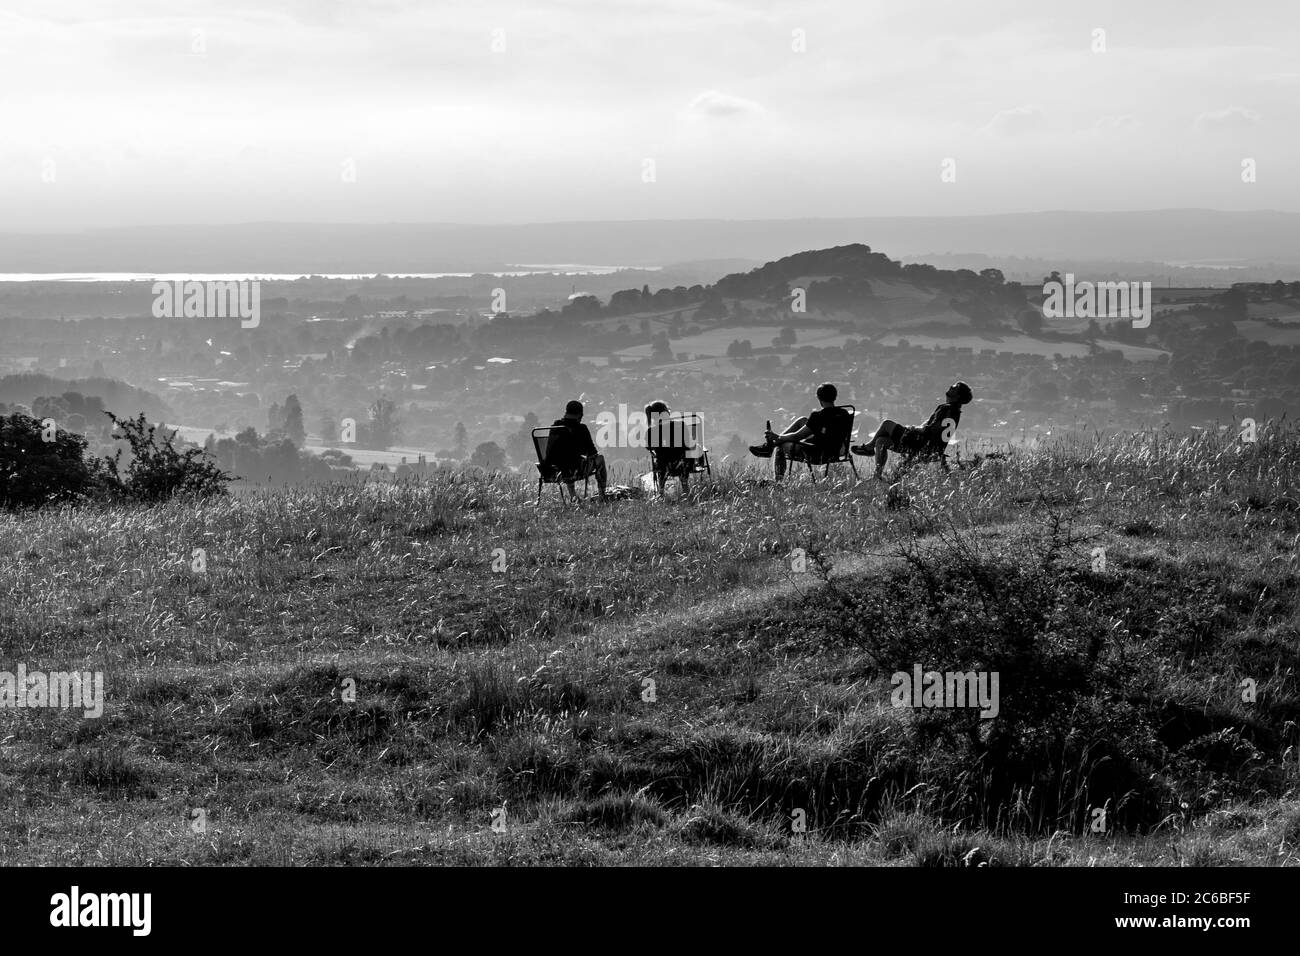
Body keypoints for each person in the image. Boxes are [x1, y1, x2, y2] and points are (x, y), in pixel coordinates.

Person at [852, 381, 973, 478]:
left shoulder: (945, 408)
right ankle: (876, 477)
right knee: (881, 442)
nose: (950, 387)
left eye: (954, 387)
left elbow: (931, 429)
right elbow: (935, 429)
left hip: (919, 443)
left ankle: (868, 448)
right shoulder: (955, 412)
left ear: (957, 396)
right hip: (928, 447)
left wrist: (914, 429)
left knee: (886, 424)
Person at [749, 382, 852, 481]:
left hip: (816, 452)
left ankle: (778, 479)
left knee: (780, 447)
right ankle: (770, 446)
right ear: (834, 397)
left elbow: (796, 437)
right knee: (802, 420)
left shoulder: (818, 416)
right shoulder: (844, 413)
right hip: (838, 450)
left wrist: (777, 437)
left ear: (819, 399)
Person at [545, 399, 608, 499]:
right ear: (580, 415)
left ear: (566, 412)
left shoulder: (555, 427)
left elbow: (549, 452)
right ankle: (602, 495)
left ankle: (573, 496)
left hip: (552, 471)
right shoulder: (581, 429)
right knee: (600, 458)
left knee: (567, 463)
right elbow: (592, 452)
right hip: (575, 470)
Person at [644, 400, 692, 495]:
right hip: (682, 464)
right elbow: (688, 443)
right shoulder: (681, 425)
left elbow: (649, 448)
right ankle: (686, 490)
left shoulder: (650, 431)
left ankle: (661, 492)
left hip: (663, 465)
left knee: (660, 460)